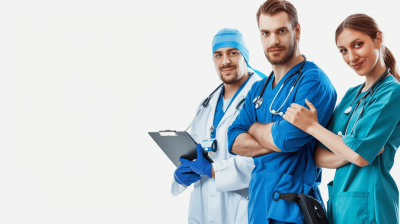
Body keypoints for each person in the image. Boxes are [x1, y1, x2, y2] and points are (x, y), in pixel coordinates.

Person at [283, 13, 400, 224]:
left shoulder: (392, 92)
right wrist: (355, 152)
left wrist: (311, 125)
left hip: (371, 208)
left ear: (378, 39)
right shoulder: (350, 95)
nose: (351, 57)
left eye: (358, 44)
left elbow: (359, 155)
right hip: (340, 207)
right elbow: (318, 155)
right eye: (343, 51)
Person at [227, 1, 337, 223]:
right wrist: (274, 136)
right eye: (265, 33)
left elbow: (286, 139)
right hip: (259, 204)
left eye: (281, 31)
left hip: (294, 208)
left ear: (297, 31)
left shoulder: (313, 81)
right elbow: (233, 139)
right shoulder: (258, 89)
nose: (273, 41)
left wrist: (254, 127)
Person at [171, 28, 265, 224]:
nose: (225, 62)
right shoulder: (205, 106)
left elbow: (265, 160)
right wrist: (181, 176)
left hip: (243, 212)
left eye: (233, 53)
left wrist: (214, 171)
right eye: (218, 55)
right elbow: (198, 153)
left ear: (245, 56)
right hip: (203, 211)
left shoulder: (262, 99)